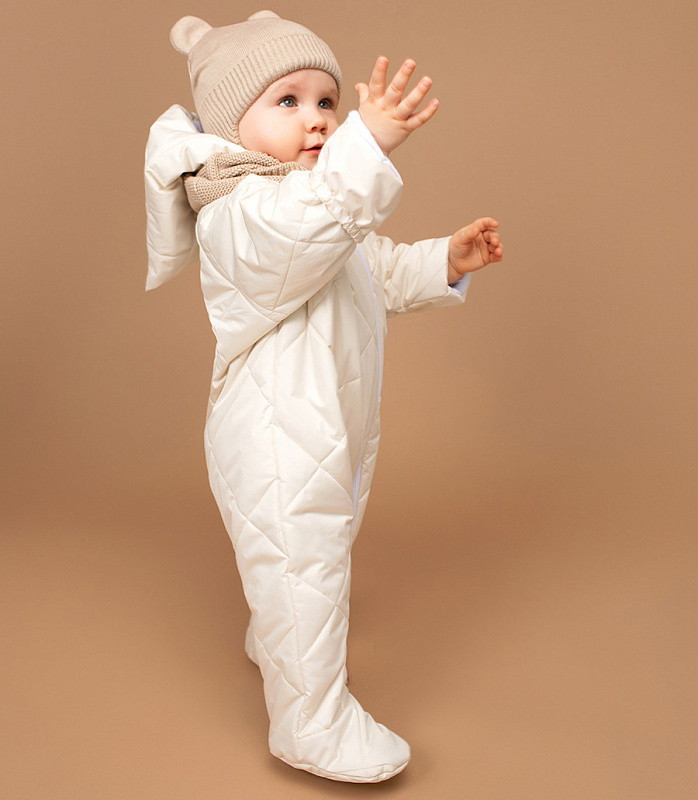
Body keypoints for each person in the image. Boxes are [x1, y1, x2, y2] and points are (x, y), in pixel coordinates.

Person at [144, 10, 503, 784]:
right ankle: (311, 726)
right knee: (302, 561)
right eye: (288, 101)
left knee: (309, 560)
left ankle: (277, 636)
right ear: (232, 124)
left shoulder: (312, 204)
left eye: (327, 103)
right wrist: (365, 143)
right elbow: (304, 235)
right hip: (275, 436)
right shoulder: (239, 210)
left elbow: (372, 269)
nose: (316, 119)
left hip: (324, 424)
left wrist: (443, 261)